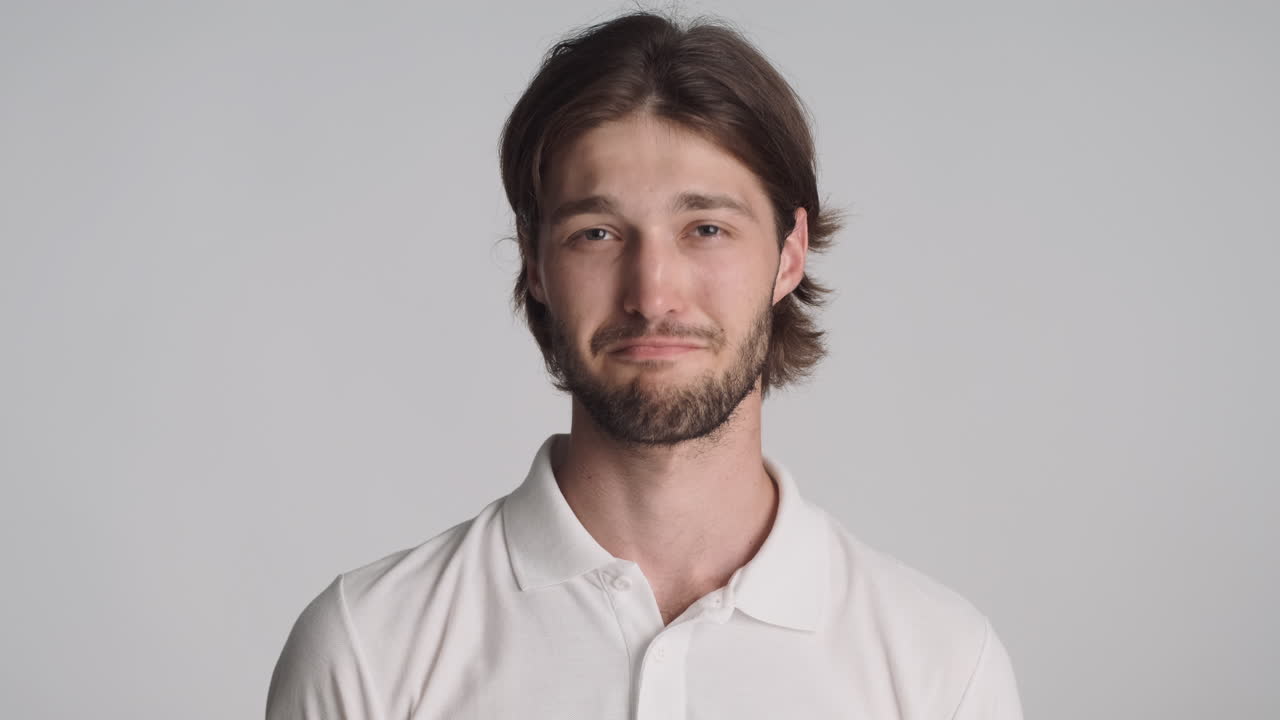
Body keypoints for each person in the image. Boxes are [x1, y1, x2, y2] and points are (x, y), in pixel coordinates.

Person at [266, 11, 1024, 719]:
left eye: (706, 228)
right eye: (597, 234)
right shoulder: (369, 649)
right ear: (535, 262)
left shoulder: (940, 669)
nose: (652, 293)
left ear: (790, 254)